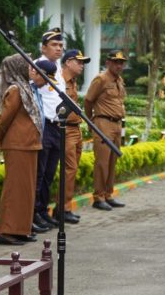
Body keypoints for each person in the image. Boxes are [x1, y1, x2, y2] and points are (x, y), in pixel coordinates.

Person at [0, 55, 54, 245]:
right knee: (15, 189)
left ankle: (20, 229)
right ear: (16, 67)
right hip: (17, 145)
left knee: (26, 190)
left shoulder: (25, 87)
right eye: (26, 65)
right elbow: (4, 120)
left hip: (29, 144)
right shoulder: (15, 90)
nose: (30, 69)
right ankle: (7, 231)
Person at [84, 50, 128, 211]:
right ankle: (98, 197)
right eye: (115, 62)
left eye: (121, 62)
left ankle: (108, 194)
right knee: (102, 162)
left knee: (112, 161)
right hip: (103, 123)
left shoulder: (119, 80)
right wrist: (91, 123)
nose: (119, 65)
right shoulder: (101, 79)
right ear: (108, 62)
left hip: (116, 125)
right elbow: (88, 101)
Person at [33, 28, 65, 230]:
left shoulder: (58, 68)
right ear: (44, 47)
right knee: (40, 172)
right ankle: (34, 213)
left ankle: (43, 210)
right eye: (54, 45)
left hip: (57, 127)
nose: (58, 49)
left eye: (61, 45)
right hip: (44, 126)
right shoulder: (37, 66)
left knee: (50, 173)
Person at [54, 49, 90, 224]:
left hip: (76, 129)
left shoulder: (73, 82)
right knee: (69, 170)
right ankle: (62, 209)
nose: (82, 65)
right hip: (65, 129)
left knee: (72, 170)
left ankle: (65, 207)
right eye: (79, 62)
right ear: (68, 62)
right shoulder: (59, 80)